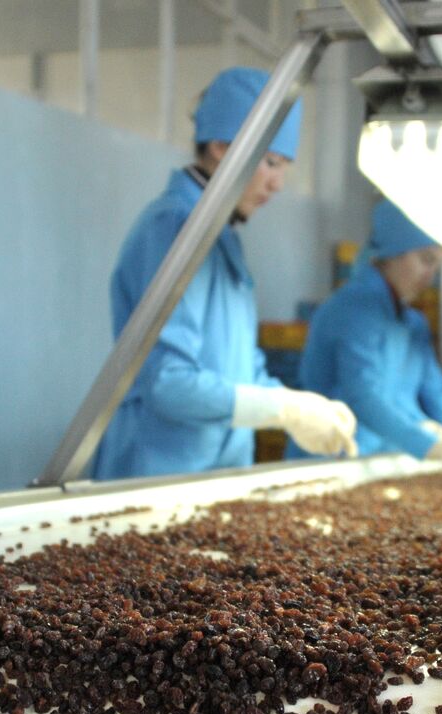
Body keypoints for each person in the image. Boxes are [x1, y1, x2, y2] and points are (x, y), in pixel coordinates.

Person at [94, 67, 357, 481]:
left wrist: (295, 405)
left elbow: (241, 369)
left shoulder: (222, 239)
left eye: (285, 166)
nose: (277, 184)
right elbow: (168, 384)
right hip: (156, 476)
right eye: (271, 163)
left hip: (216, 476)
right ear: (220, 147)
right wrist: (282, 411)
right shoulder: (174, 229)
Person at [291, 199, 442, 469]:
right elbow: (363, 397)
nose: (430, 275)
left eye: (437, 265)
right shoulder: (353, 310)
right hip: (331, 462)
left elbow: (436, 389)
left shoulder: (411, 323)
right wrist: (429, 444)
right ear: (393, 252)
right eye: (426, 260)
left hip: (383, 463)